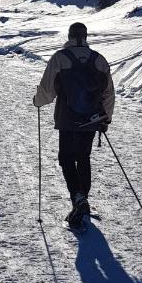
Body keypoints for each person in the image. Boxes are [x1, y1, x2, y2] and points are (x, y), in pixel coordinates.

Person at [33, 22, 115, 227]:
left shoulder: (60, 58)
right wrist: (107, 118)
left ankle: (78, 198)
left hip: (67, 119)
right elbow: (108, 93)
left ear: (69, 36)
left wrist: (37, 101)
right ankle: (82, 199)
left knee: (66, 159)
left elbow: (47, 91)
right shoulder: (99, 60)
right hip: (93, 118)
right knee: (83, 157)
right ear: (86, 36)